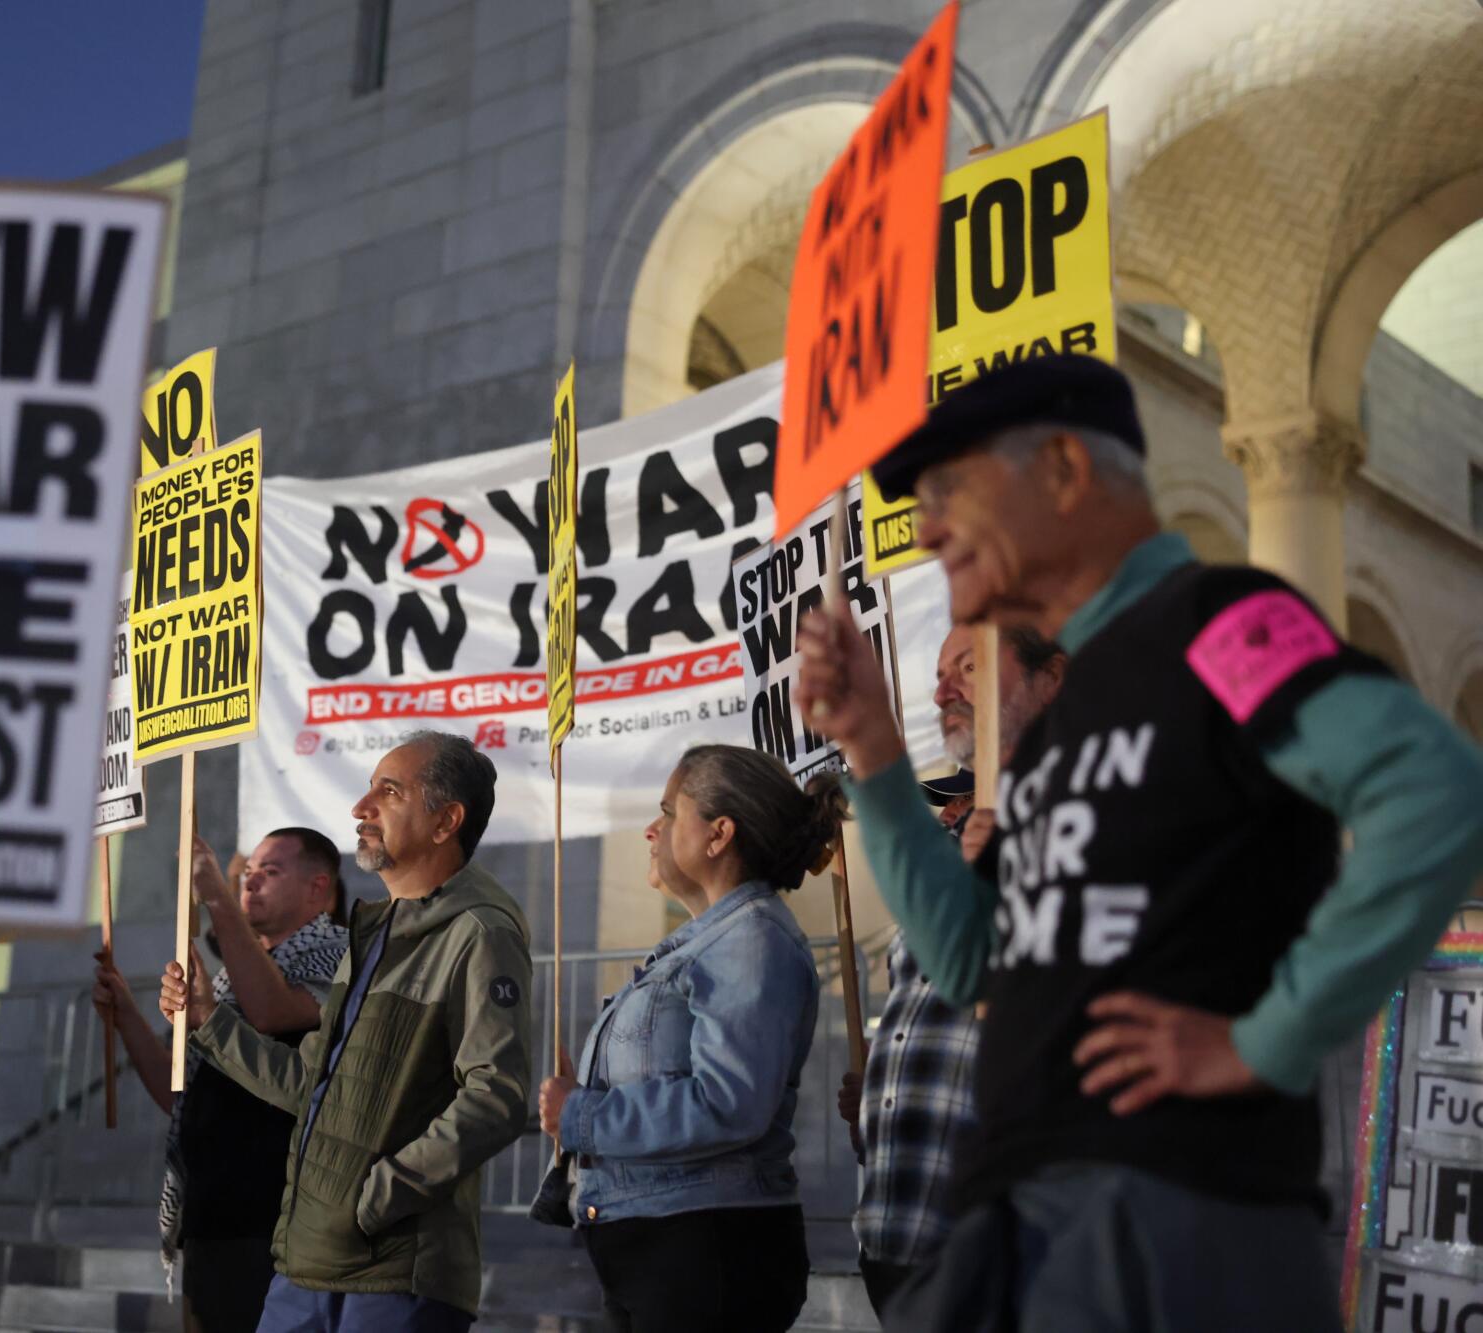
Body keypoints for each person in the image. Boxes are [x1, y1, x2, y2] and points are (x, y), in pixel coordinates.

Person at [794, 353, 1483, 1330]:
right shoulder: (1061, 720)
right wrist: (869, 747)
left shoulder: (1218, 623)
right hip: (1015, 1226)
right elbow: (968, 957)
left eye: (949, 487)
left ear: (1066, 470)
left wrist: (1265, 1038)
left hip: (1163, 1221)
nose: (928, 526)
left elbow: (1434, 794)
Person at [159, 730, 532, 1333]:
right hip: (304, 1268)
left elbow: (497, 1095)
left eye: (389, 791)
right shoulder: (373, 936)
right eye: (367, 791)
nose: (361, 809)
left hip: (395, 1277)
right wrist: (207, 1020)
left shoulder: (480, 933)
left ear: (446, 821)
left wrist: (376, 1197)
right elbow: (310, 1081)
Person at [530, 746, 835, 1333]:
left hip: (706, 1246)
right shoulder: (708, 941)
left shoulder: (752, 941)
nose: (652, 828)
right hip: (662, 1245)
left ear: (719, 834)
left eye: (669, 811)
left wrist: (583, 1114)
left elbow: (728, 1102)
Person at [837, 624, 1064, 1320]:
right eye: (940, 673)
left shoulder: (1096, 817)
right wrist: (879, 1085)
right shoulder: (950, 834)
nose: (941, 691)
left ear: (1052, 678)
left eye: (968, 665)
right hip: (901, 1229)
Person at [93, 828, 350, 1332]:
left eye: (269, 872)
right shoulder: (236, 974)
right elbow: (180, 1095)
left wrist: (215, 894)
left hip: (280, 1223)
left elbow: (272, 1012)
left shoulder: (341, 953)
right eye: (247, 873)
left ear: (318, 889)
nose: (250, 882)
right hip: (212, 1216)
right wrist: (125, 1011)